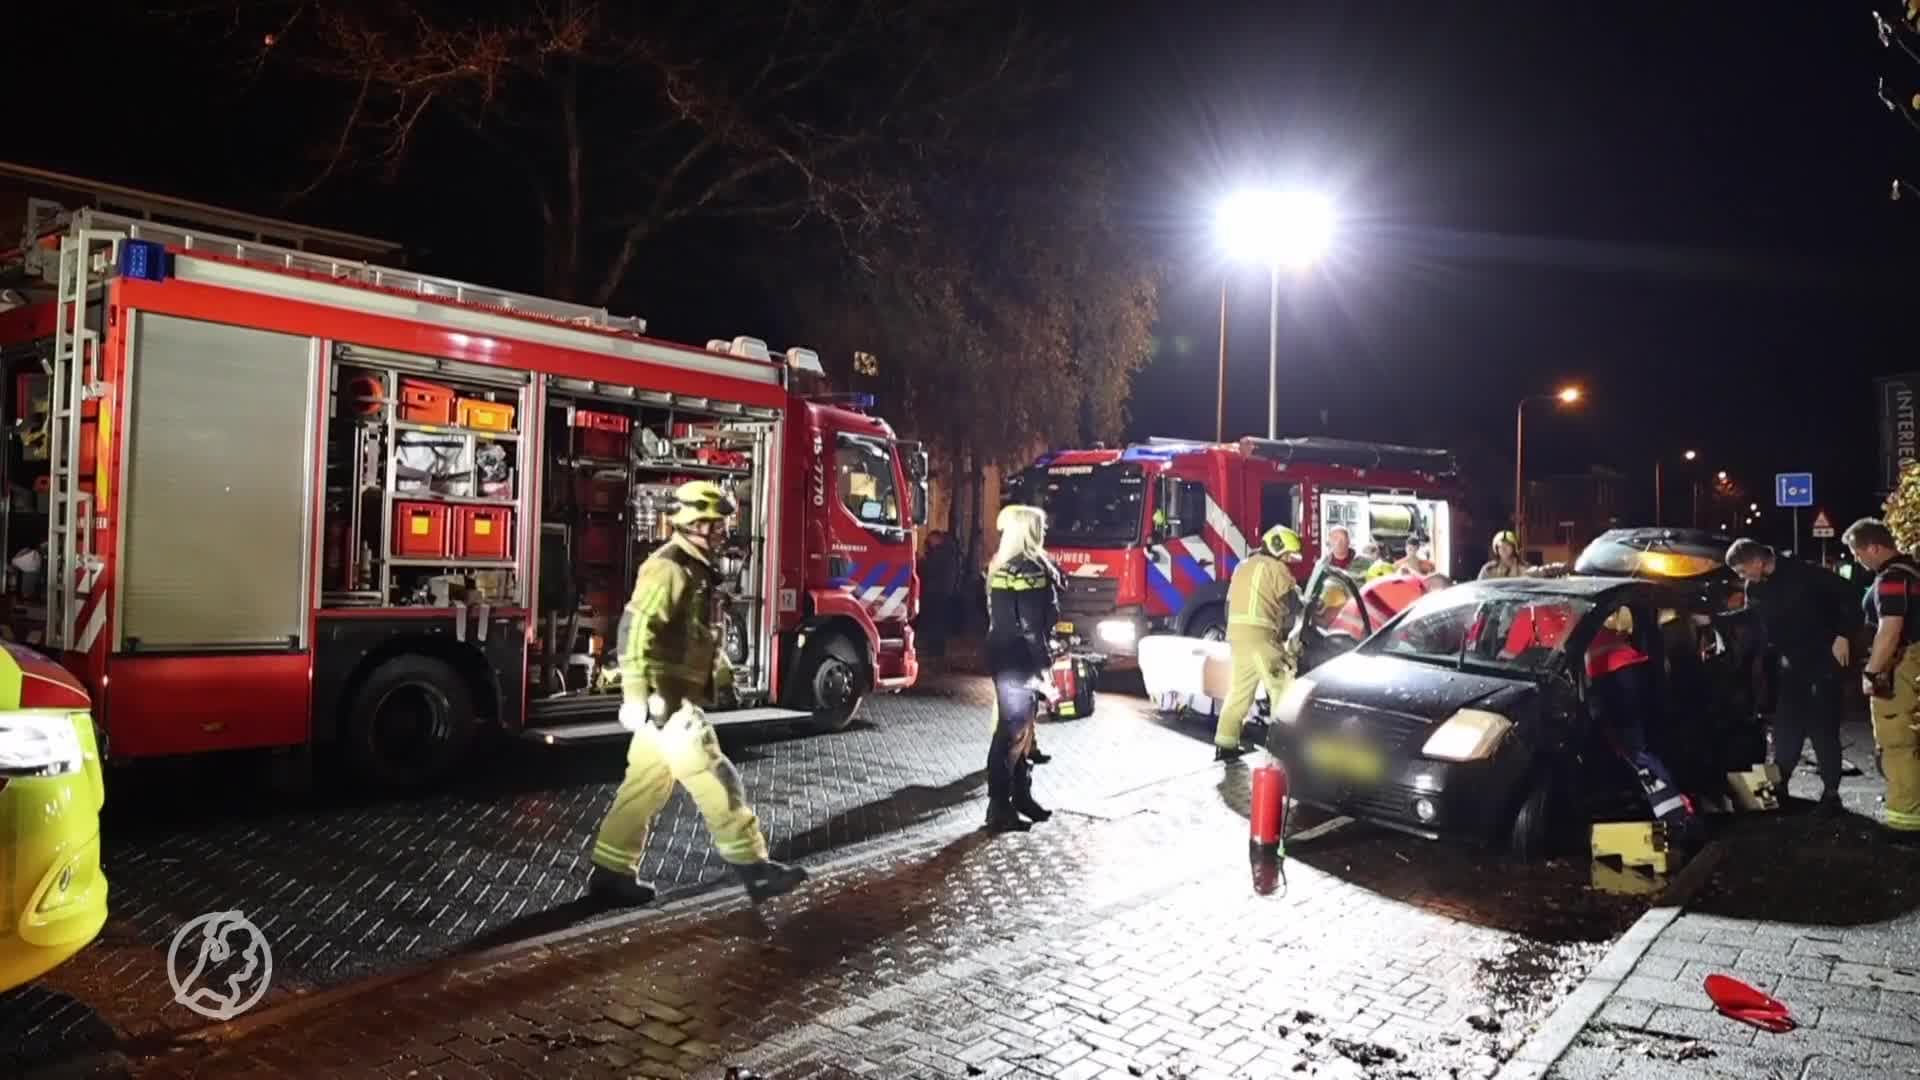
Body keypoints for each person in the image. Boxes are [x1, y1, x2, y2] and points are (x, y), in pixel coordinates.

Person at [588, 481, 808, 905]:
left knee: (643, 787)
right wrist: (635, 695)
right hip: (666, 703)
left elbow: (695, 635)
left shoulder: (695, 568)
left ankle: (611, 872)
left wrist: (720, 675)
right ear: (697, 523)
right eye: (718, 522)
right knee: (715, 775)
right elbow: (635, 629)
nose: (724, 529)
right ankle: (755, 869)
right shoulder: (669, 567)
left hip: (667, 701)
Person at [1725, 538, 1858, 810]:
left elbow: (1849, 594)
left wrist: (1844, 634)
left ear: (1757, 561)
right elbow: (1751, 619)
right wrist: (1716, 620)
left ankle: (1831, 795)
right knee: (1787, 729)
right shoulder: (1756, 587)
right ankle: (1778, 788)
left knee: (1822, 729)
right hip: (1791, 667)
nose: (1741, 577)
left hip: (1823, 663)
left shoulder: (1805, 573)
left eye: (1741, 571)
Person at [1585, 605, 1701, 843]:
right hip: (1629, 671)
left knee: (1635, 750)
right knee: (1635, 748)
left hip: (1617, 676)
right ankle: (1677, 813)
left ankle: (1679, 817)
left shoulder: (1577, 616)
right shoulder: (1593, 617)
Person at [983, 504, 1060, 831]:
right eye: (1040, 527)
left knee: (1019, 731)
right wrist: (1044, 670)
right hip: (1021, 660)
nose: (1044, 532)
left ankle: (1019, 798)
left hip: (1003, 656)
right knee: (1012, 733)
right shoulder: (1029, 568)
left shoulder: (1001, 566)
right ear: (1030, 530)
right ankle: (1001, 807)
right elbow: (1030, 626)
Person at [1843, 518, 1920, 837]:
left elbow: (1890, 630)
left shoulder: (1892, 578)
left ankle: (1905, 819)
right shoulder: (1913, 571)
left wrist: (1872, 672)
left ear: (1874, 547)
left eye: (1859, 554)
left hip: (1903, 664)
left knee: (1897, 741)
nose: (1859, 561)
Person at [1214, 525, 1305, 762]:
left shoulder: (1243, 566)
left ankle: (1225, 744)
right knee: (1282, 688)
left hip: (1237, 638)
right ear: (1279, 548)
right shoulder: (1277, 569)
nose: (1288, 559)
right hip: (1262, 639)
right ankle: (1280, 748)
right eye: (1287, 554)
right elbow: (1293, 606)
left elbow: (1228, 605)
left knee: (1238, 692)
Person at [918, 530, 960, 659]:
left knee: (936, 623)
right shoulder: (948, 552)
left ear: (937, 539)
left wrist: (924, 561)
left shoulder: (942, 553)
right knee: (937, 623)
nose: (929, 543)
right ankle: (935, 649)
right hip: (942, 592)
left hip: (938, 592)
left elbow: (932, 570)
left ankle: (935, 650)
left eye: (930, 540)